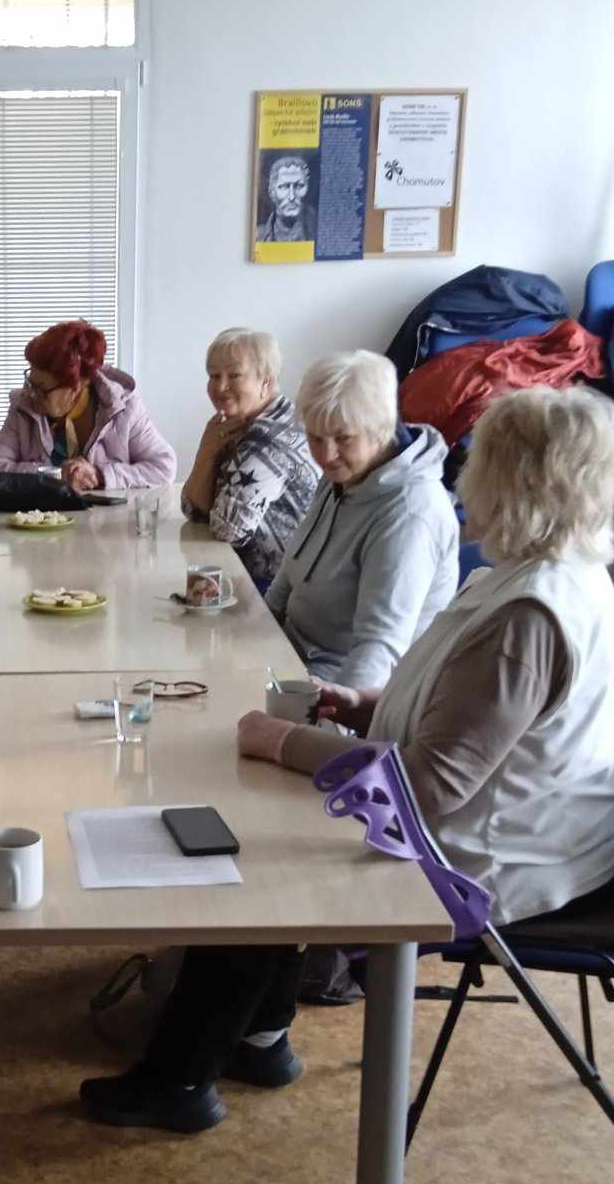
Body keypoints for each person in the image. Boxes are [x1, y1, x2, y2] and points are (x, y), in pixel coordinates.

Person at [79, 385, 614, 1132]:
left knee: (256, 850)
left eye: (479, 464)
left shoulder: (528, 615)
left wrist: (287, 742)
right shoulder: (552, 575)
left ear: (509, 482)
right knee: (266, 818)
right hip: (532, 826)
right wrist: (362, 705)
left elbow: (424, 790)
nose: (465, 479)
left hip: (483, 857)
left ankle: (178, 1079)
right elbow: (457, 711)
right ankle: (259, 1036)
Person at [266, 349, 458, 687]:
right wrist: (252, 629)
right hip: (288, 653)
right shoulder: (346, 474)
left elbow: (378, 649)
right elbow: (288, 576)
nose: (326, 455)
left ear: (381, 429)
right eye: (315, 438)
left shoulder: (410, 513)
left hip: (334, 681)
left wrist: (334, 713)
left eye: (343, 438)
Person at [180, 327, 318, 590]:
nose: (221, 386)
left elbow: (228, 530)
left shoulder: (267, 438)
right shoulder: (242, 422)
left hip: (277, 588)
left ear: (266, 381)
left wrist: (207, 454)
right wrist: (207, 451)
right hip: (246, 573)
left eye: (234, 375)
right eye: (214, 375)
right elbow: (193, 509)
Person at [0, 319, 175, 491]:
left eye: (41, 388)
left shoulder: (124, 408)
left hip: (105, 518)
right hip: (39, 516)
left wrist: (100, 475)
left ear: (75, 388)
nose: (30, 393)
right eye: (29, 382)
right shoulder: (22, 406)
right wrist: (55, 475)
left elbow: (163, 467)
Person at [256, 155, 317, 245]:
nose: (292, 196)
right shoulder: (258, 236)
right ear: (272, 192)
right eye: (284, 187)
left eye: (299, 186)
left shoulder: (319, 232)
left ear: (308, 189)